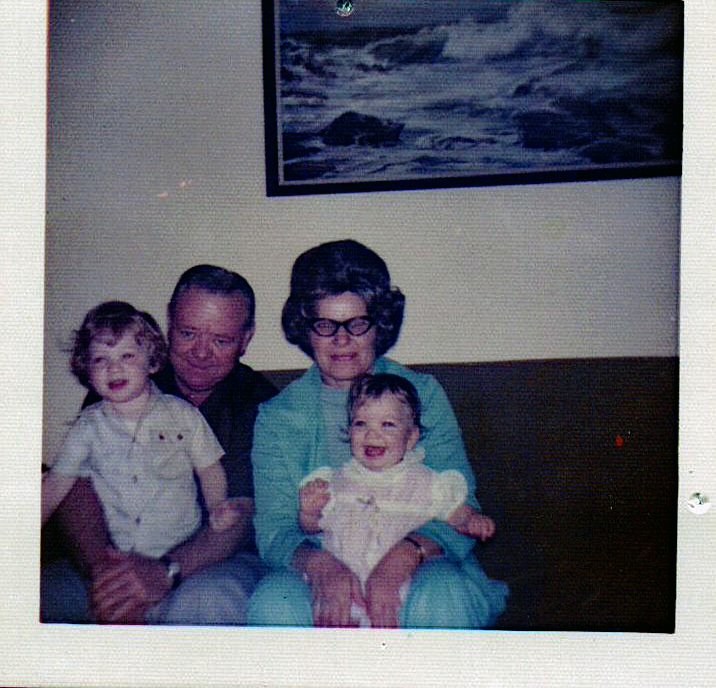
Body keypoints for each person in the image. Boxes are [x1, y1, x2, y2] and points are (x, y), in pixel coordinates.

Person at [247, 239, 508, 628]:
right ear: (306, 329)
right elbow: (273, 531)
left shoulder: (423, 393)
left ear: (379, 324)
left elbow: (462, 504)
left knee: (444, 592)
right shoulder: (278, 416)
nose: (341, 340)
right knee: (274, 600)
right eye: (325, 325)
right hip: (320, 561)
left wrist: (405, 555)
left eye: (357, 324)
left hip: (424, 561)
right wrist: (321, 565)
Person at [41, 265, 277, 624]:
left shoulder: (259, 404)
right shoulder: (121, 376)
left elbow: (240, 513)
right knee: (38, 595)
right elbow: (76, 488)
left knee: (205, 603)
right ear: (169, 323)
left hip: (215, 562)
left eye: (221, 340)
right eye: (188, 333)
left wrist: (164, 571)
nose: (201, 353)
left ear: (246, 338)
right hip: (112, 557)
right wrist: (109, 577)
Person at [298, 373, 497, 627]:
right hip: (346, 597)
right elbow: (311, 528)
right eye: (361, 424)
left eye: (388, 425)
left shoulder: (427, 482)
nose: (372, 435)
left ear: (411, 437)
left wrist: (472, 519)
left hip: (403, 595)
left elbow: (455, 513)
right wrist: (309, 512)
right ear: (349, 431)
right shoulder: (334, 482)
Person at [42, 301, 242, 546]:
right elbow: (57, 482)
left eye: (127, 356)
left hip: (182, 547)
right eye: (100, 360)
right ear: (87, 370)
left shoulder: (183, 414)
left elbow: (209, 468)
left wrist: (217, 506)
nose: (114, 368)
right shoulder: (86, 427)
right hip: (119, 552)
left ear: (152, 361)